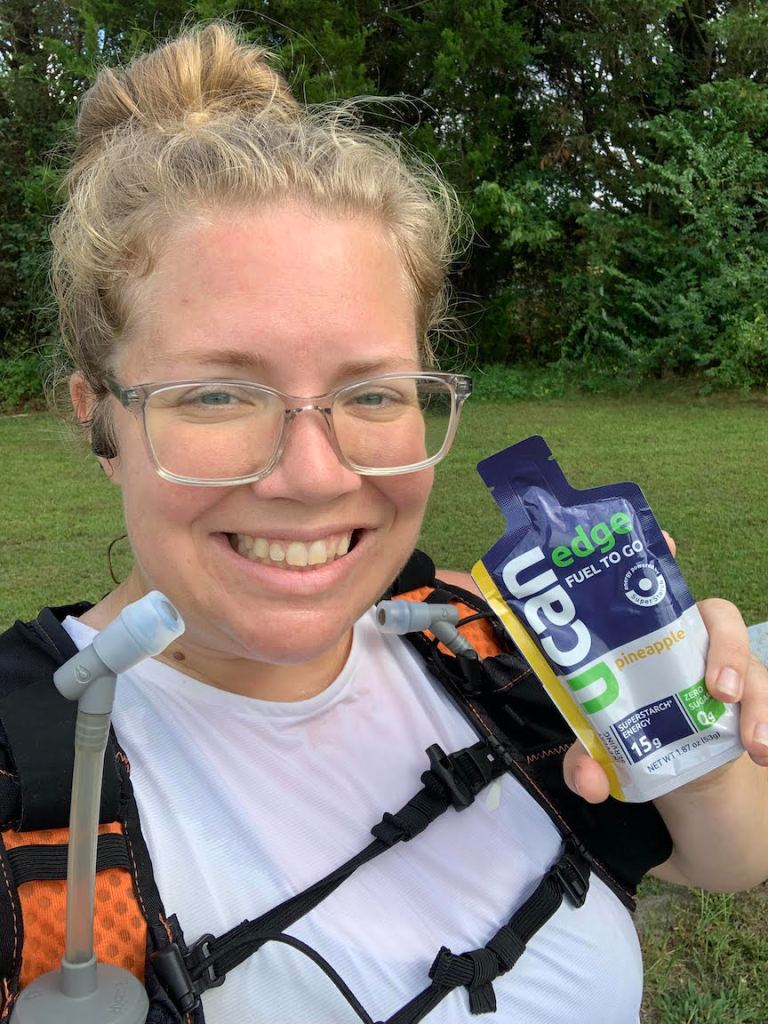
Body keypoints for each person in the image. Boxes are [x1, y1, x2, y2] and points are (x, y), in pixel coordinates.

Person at [6, 22, 768, 1024]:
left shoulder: (481, 642)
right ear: (100, 418)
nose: (315, 476)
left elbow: (730, 859)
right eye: (219, 396)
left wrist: (684, 723)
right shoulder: (27, 773)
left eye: (371, 394)